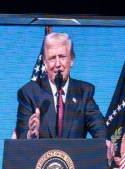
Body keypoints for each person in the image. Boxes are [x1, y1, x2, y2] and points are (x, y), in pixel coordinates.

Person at [14, 32, 113, 161]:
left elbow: (98, 125)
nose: (57, 64)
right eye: (52, 58)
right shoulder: (29, 93)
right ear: (44, 62)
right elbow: (21, 136)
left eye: (62, 57)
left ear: (71, 60)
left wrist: (104, 141)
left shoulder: (83, 92)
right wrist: (30, 135)